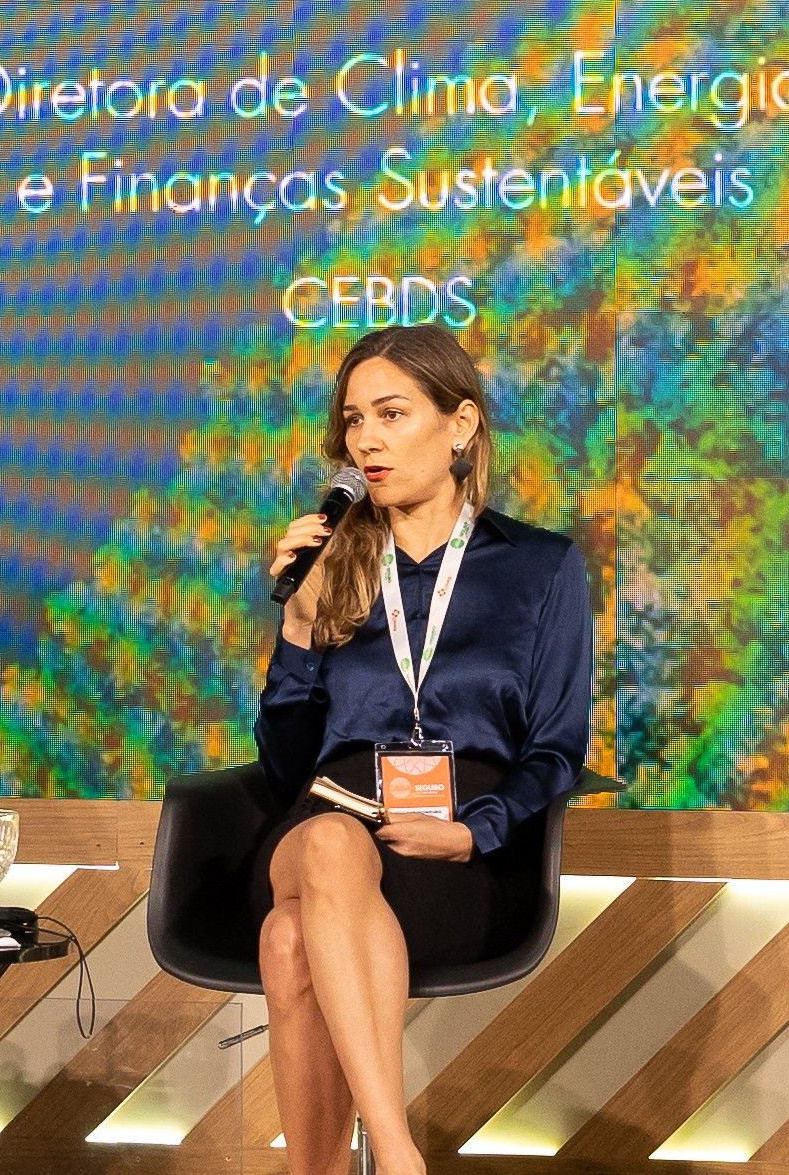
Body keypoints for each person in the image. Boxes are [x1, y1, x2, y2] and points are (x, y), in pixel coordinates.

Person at [252, 325, 591, 1175]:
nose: (365, 439)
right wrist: (297, 628)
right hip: (325, 820)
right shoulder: (333, 561)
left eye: (392, 413)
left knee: (289, 942)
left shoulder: (540, 566)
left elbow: (556, 749)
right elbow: (285, 765)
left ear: (460, 424)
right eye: (353, 419)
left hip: (454, 847)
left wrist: (476, 829)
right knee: (329, 845)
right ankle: (400, 1153)